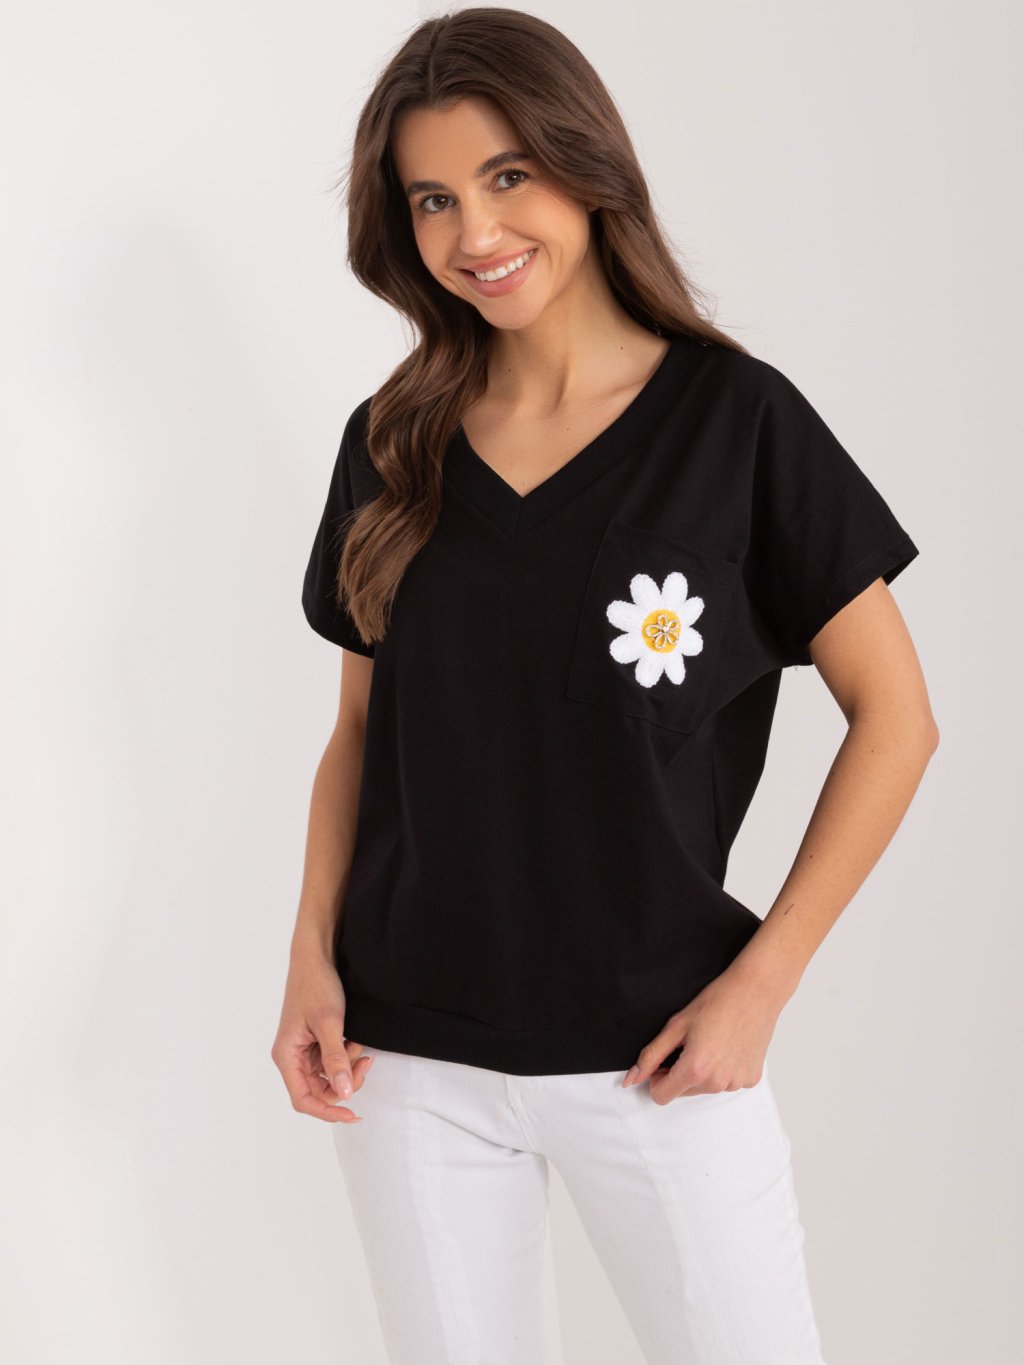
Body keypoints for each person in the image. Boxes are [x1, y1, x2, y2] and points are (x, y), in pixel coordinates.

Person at [272, 9, 939, 1363]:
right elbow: (359, 729)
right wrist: (308, 959)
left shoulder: (737, 425)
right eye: (433, 199)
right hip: (410, 1058)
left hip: (660, 1052)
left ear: (587, 167)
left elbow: (899, 718)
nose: (475, 232)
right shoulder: (392, 442)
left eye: (507, 175)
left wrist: (761, 982)